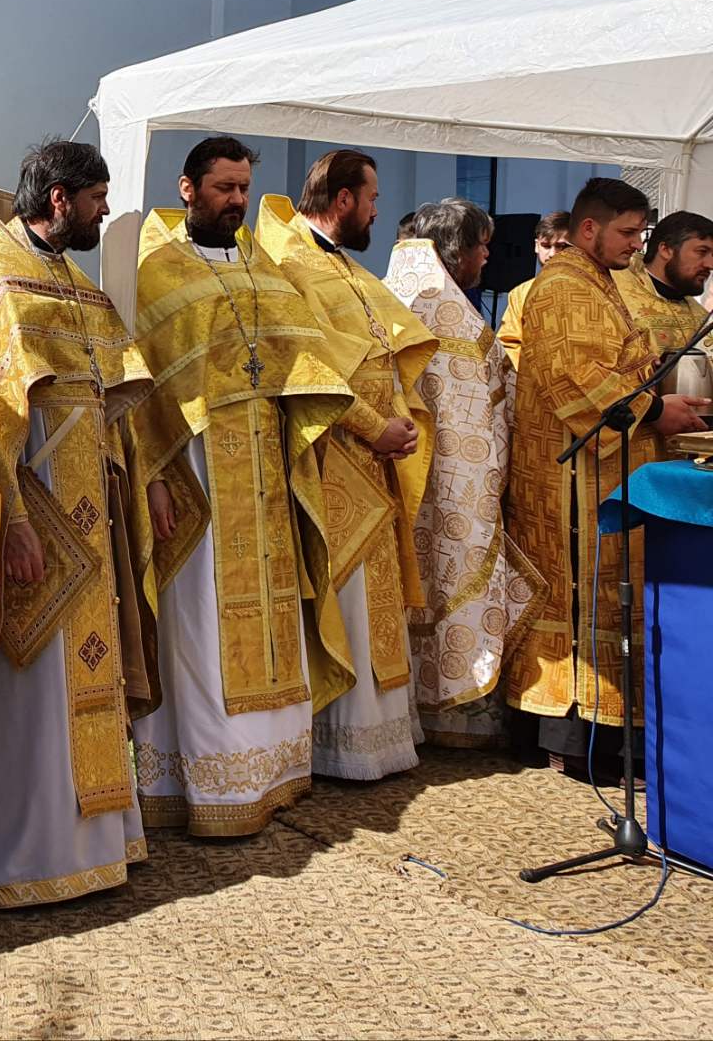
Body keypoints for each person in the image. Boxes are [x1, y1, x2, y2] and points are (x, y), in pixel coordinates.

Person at [0, 140, 156, 905]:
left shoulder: (73, 282)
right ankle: (8, 857)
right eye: (97, 199)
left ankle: (90, 843)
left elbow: (111, 390)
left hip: (87, 508)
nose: (105, 212)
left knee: (83, 670)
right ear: (59, 199)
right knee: (26, 677)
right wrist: (10, 518)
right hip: (29, 504)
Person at [123, 137, 355, 836]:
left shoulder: (260, 264)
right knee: (202, 620)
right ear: (188, 188)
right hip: (198, 470)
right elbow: (144, 389)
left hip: (265, 463)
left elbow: (302, 356)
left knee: (274, 611)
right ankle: (206, 781)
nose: (237, 200)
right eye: (224, 187)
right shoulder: (155, 271)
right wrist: (154, 475)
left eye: (244, 188)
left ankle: (272, 773)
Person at [505, 179, 709, 780]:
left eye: (640, 233)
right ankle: (578, 742)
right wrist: (655, 409)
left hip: (608, 464)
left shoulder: (597, 280)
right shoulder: (565, 286)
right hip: (574, 473)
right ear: (589, 228)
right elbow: (576, 377)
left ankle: (610, 737)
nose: (635, 244)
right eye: (627, 233)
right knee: (584, 595)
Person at [256, 151, 438, 780]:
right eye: (372, 197)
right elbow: (306, 367)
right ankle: (340, 745)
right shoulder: (289, 264)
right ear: (343, 200)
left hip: (376, 453)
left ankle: (381, 738)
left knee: (376, 597)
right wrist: (372, 425)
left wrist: (399, 421)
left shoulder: (343, 264)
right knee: (348, 597)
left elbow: (380, 354)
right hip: (330, 454)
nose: (377, 210)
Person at [385, 198, 545, 749]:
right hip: (456, 482)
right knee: (455, 577)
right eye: (481, 246)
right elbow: (479, 409)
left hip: (408, 477)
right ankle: (454, 714)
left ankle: (411, 708)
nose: (486, 256)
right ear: (456, 251)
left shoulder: (394, 293)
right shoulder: (452, 316)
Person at [614, 209, 713, 366]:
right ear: (666, 250)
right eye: (702, 252)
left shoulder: (700, 316)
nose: (710, 265)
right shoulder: (616, 295)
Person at [496, 209, 568, 370]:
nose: (552, 254)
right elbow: (509, 344)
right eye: (546, 246)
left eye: (561, 246)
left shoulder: (595, 287)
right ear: (536, 246)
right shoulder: (520, 294)